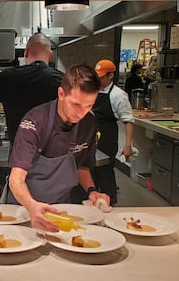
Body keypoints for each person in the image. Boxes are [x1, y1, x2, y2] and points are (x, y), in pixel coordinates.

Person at [6, 64, 111, 232]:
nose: (81, 113)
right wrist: (32, 207)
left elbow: (81, 167)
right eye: (76, 104)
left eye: (89, 106)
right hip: (24, 209)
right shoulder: (34, 121)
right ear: (61, 93)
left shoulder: (89, 123)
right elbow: (16, 179)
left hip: (61, 208)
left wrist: (92, 191)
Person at [0, 32, 64, 147]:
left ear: (26, 52)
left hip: (19, 150)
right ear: (50, 55)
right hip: (51, 152)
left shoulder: (9, 76)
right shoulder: (61, 80)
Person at [91, 59, 134, 206]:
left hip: (107, 135)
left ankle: (110, 204)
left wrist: (128, 145)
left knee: (105, 171)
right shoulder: (93, 90)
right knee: (91, 170)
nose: (98, 79)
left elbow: (128, 121)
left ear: (110, 76)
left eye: (101, 77)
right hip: (90, 133)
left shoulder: (118, 95)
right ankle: (93, 201)